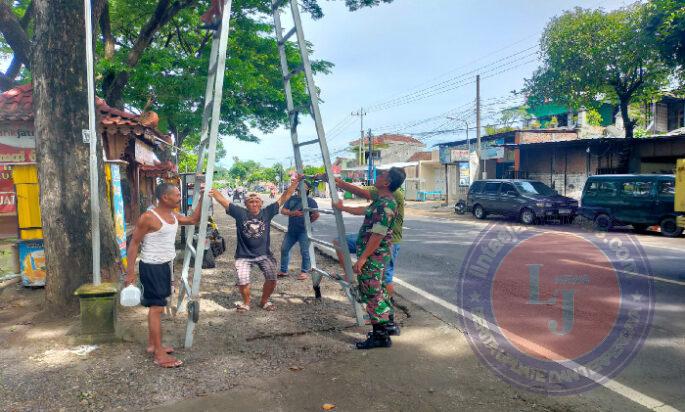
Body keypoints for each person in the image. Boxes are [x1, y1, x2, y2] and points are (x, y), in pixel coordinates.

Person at [125, 183, 203, 368]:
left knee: (157, 306)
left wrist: (202, 198)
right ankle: (159, 354)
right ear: (165, 198)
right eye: (177, 195)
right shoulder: (148, 218)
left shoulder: (173, 215)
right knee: (157, 308)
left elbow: (193, 220)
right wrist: (130, 273)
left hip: (165, 266)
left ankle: (153, 345)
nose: (180, 197)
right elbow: (134, 243)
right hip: (152, 267)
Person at [334, 167, 406, 349]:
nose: (378, 175)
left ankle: (380, 336)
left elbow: (378, 234)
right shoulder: (381, 201)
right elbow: (364, 211)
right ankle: (388, 325)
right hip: (376, 255)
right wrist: (343, 207)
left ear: (386, 183)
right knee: (379, 291)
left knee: (372, 293)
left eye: (382, 174)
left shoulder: (386, 204)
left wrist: (363, 258)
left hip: (374, 256)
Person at [209, 174, 303, 312]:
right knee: (243, 280)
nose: (254, 203)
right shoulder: (240, 213)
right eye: (251, 201)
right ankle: (246, 303)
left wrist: (295, 183)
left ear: (261, 203)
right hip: (243, 255)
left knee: (272, 278)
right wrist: (208, 185)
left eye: (256, 201)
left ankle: (264, 301)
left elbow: (285, 196)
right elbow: (222, 200)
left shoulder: (267, 212)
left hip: (264, 254)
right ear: (246, 204)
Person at [277, 182, 320, 280]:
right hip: (291, 231)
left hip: (304, 231)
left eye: (303, 186)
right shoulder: (291, 199)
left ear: (308, 189)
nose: (300, 188)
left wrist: (308, 223)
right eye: (299, 186)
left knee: (305, 251)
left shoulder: (311, 201)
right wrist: (293, 213)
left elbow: (316, 215)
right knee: (284, 249)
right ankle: (283, 270)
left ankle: (304, 272)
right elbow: (283, 211)